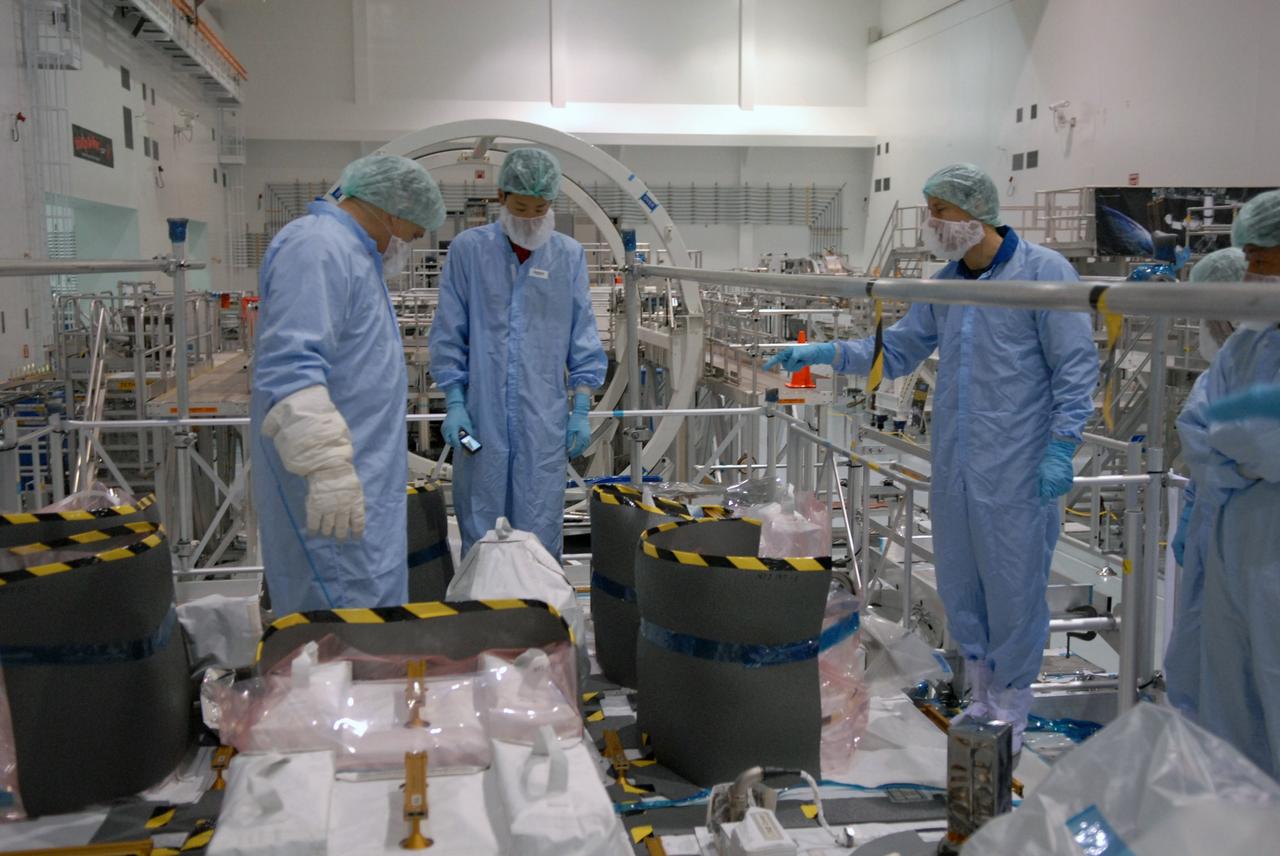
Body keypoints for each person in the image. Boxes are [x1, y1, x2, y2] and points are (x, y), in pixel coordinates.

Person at [765, 163, 1098, 752]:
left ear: (976, 213)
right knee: (961, 583)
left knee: (1013, 588)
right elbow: (897, 351)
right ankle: (981, 693)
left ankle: (1012, 704)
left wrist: (1063, 445)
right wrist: (825, 353)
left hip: (1019, 466)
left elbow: (1075, 367)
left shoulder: (1043, 273)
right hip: (957, 464)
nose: (931, 223)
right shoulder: (946, 282)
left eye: (940, 211)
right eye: (930, 211)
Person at [251, 153, 446, 615]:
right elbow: (291, 368)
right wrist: (327, 469)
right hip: (332, 497)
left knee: (367, 622)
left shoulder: (353, 254)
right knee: (341, 630)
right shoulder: (318, 248)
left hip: (362, 486)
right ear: (392, 211)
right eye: (411, 233)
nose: (409, 244)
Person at [428, 147, 607, 561]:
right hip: (480, 415)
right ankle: (482, 598)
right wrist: (454, 402)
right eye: (521, 207)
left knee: (539, 526)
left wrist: (581, 407)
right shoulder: (469, 251)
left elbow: (582, 333)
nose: (530, 217)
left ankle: (537, 600)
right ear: (500, 197)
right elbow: (449, 330)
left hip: (542, 418)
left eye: (540, 208)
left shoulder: (568, 255)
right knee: (481, 522)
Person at [1177, 188, 1280, 778]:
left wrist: (1237, 449)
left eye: (1262, 259)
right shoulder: (1247, 344)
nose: (1252, 274)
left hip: (1264, 544)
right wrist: (1243, 456)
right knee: (1229, 693)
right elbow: (1198, 429)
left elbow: (1256, 439)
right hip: (1234, 542)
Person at [1164, 248, 1247, 718]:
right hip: (1214, 530)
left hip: (1246, 542)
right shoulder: (1224, 376)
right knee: (1198, 658)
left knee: (1238, 674)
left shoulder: (1244, 379)